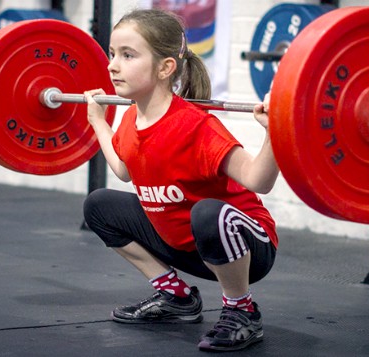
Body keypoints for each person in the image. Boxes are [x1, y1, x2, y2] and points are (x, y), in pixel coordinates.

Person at [82, 8, 279, 352]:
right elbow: (124, 170)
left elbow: (257, 180)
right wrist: (99, 121)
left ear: (165, 67)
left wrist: (277, 132)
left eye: (128, 55)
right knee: (98, 205)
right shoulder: (131, 119)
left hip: (245, 245)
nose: (113, 65)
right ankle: (176, 297)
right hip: (186, 246)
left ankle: (242, 309)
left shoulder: (195, 126)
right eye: (112, 54)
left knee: (207, 212)